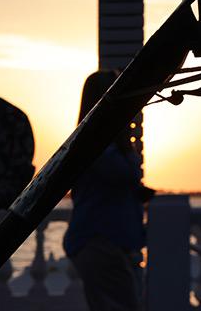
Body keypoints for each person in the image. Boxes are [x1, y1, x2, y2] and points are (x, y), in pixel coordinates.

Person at [63, 70, 151, 311]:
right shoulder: (97, 144)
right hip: (100, 242)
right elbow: (122, 173)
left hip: (104, 243)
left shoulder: (98, 143)